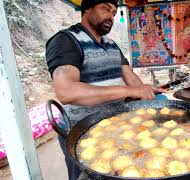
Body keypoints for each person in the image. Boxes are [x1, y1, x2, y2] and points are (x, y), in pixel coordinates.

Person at [45, 0, 165, 179]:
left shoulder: (112, 45)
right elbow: (67, 91)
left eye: (114, 13)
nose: (111, 16)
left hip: (118, 125)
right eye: (105, 9)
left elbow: (130, 78)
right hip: (83, 129)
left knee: (123, 168)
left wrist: (145, 91)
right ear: (87, 10)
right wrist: (128, 92)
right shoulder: (66, 40)